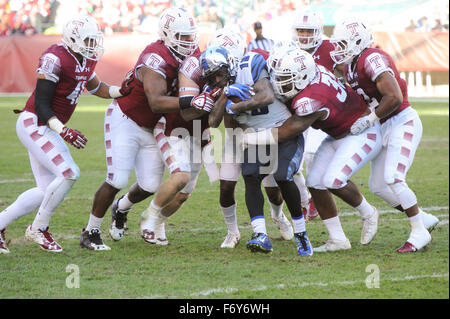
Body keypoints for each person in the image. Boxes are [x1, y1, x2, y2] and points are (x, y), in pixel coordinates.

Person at [0, 14, 131, 254]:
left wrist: (120, 91)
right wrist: (64, 130)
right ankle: (38, 228)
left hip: (46, 126)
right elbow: (41, 103)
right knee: (69, 173)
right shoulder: (55, 58)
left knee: (46, 190)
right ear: (72, 39)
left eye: (94, 40)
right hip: (35, 123)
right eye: (88, 40)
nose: (93, 45)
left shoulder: (84, 58)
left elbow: (96, 87)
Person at [79, 7, 199, 250]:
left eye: (190, 36)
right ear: (167, 34)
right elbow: (156, 102)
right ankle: (90, 231)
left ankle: (121, 209)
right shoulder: (154, 58)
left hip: (153, 127)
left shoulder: (190, 54)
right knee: (118, 178)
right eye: (183, 36)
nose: (189, 41)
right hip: (126, 119)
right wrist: (192, 101)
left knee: (150, 185)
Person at [244, 45, 383, 252]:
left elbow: (287, 131)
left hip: (358, 132)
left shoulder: (310, 99)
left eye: (286, 78)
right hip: (338, 132)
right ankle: (338, 239)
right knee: (314, 182)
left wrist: (251, 138)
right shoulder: (310, 70)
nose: (279, 83)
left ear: (301, 76)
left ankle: (368, 212)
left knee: (332, 180)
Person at [330, 17, 439, 252]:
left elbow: (394, 97)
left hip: (402, 121)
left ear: (357, 41)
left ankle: (419, 231)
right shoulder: (351, 64)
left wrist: (369, 119)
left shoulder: (372, 58)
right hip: (383, 125)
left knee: (393, 177)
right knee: (378, 184)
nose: (338, 50)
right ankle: (424, 218)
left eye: (342, 44)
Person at [202, 46, 313, 256]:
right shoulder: (219, 89)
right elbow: (213, 121)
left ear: (231, 65)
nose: (216, 80)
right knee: (250, 175)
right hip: (256, 138)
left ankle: (301, 234)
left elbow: (267, 96)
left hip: (282, 129)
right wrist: (225, 95)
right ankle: (261, 235)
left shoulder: (248, 65)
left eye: (219, 73)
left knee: (282, 176)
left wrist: (236, 107)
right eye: (212, 77)